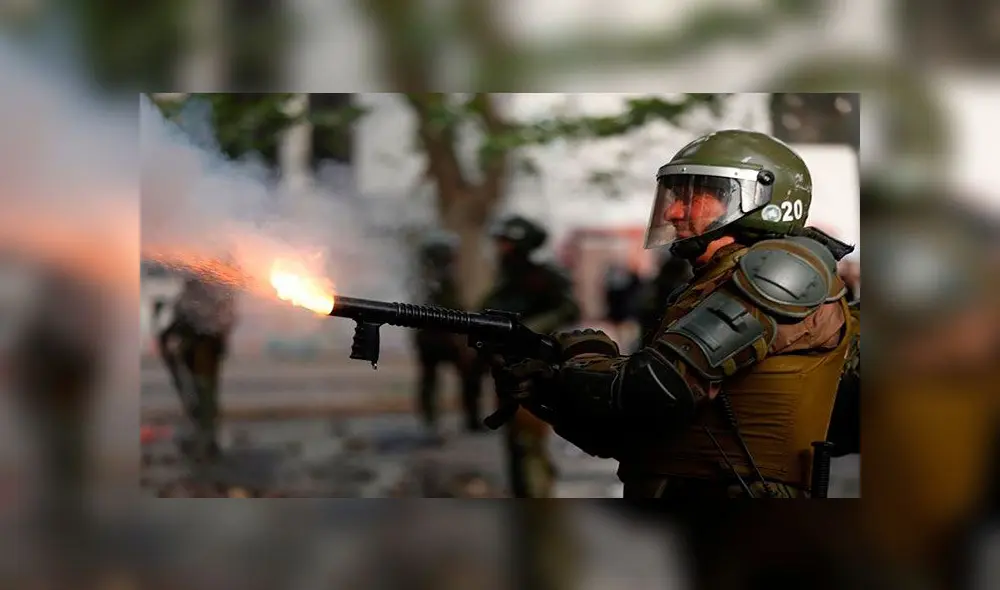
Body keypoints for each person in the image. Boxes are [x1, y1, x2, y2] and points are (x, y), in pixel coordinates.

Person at [491, 130, 859, 499]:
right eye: (676, 194)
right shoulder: (715, 277)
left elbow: (657, 390)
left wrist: (584, 356)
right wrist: (547, 386)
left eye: (694, 196)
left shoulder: (778, 274)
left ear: (758, 198)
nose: (673, 211)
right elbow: (631, 432)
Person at [469, 215, 580, 498]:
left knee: (529, 443)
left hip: (533, 368)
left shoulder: (544, 276)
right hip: (506, 368)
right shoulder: (506, 279)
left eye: (506, 242)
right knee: (515, 444)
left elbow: (569, 309)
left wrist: (529, 330)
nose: (501, 248)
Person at [155, 257, 242, 463]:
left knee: (205, 396)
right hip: (193, 344)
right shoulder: (196, 286)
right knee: (196, 394)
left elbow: (223, 320)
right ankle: (202, 438)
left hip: (206, 347)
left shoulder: (220, 287)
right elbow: (184, 309)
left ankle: (207, 442)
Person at [410, 231, 468, 438]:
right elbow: (453, 306)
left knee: (432, 379)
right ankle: (435, 420)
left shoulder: (426, 278)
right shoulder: (437, 280)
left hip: (433, 336)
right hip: (441, 336)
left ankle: (432, 419)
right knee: (435, 378)